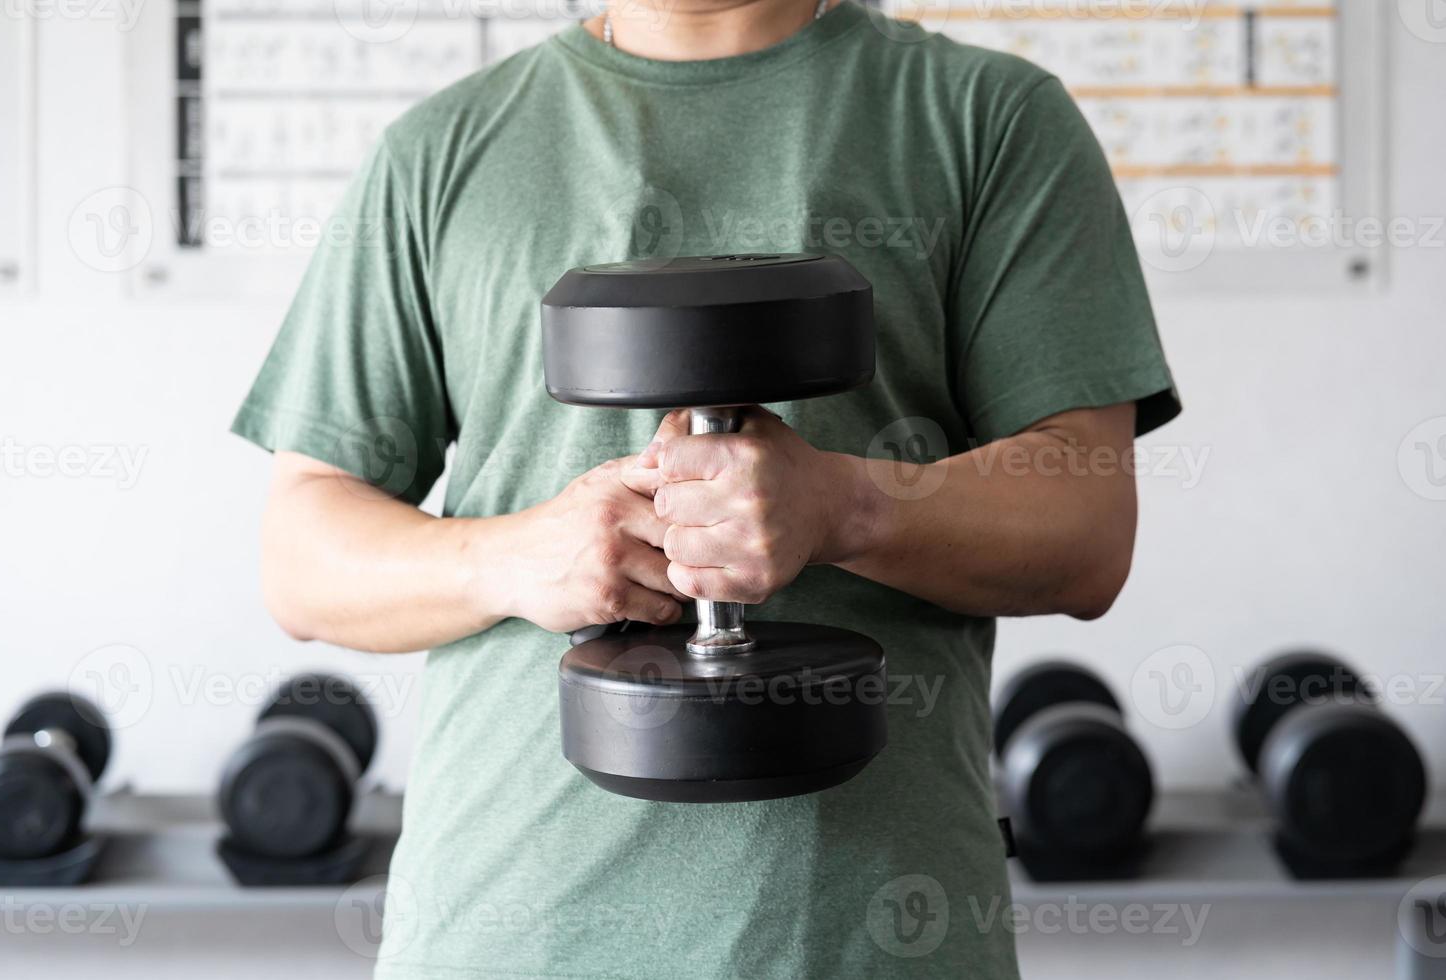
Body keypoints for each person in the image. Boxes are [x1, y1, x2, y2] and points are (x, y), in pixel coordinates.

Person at [231, 0, 1180, 975]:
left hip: (864, 936)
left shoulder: (988, 118)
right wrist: (522, 556)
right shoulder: (439, 152)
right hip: (507, 932)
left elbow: (1087, 522)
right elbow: (302, 554)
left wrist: (842, 505)